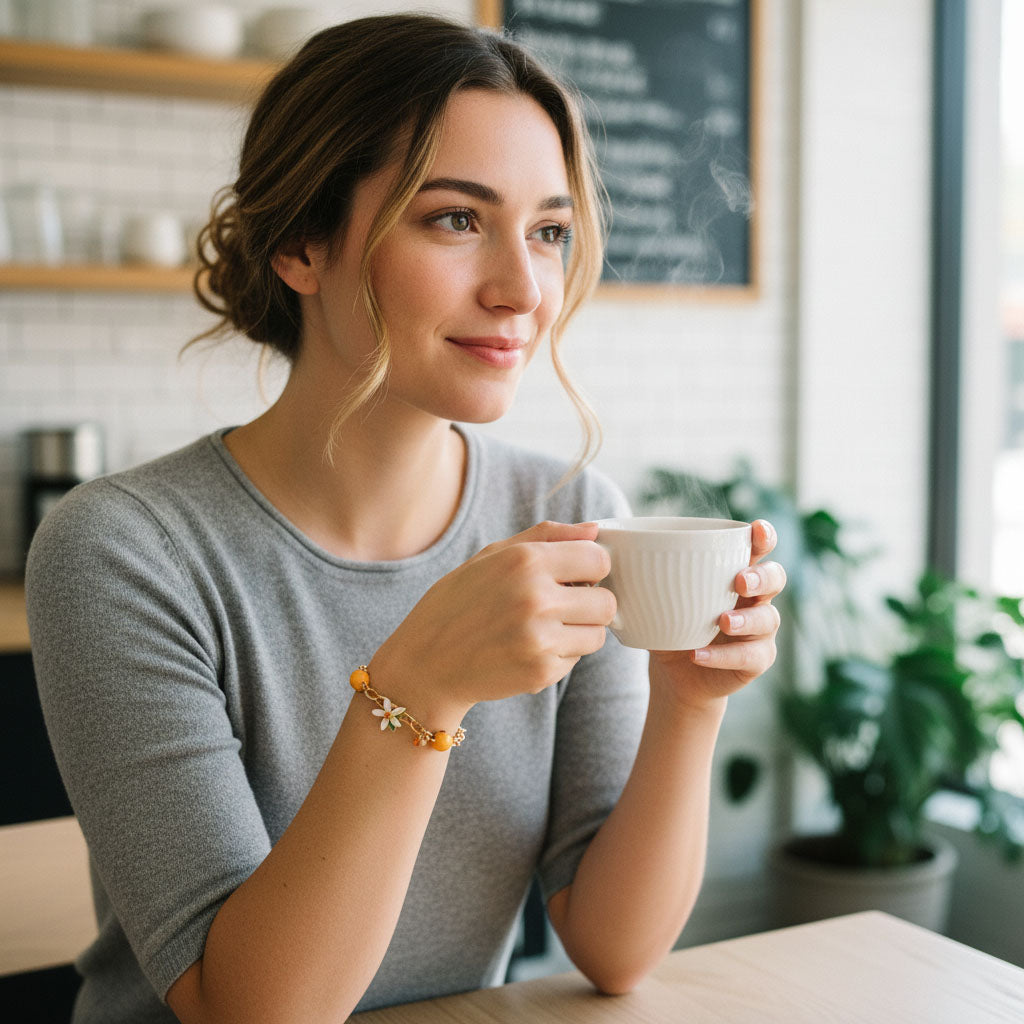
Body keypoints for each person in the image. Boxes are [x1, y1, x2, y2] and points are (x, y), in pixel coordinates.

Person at [25, 13, 785, 1024]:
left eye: (549, 231)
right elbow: (253, 1010)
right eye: (456, 220)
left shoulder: (563, 515)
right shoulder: (123, 552)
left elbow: (612, 946)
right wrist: (417, 690)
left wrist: (689, 703)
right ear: (301, 240)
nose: (523, 289)